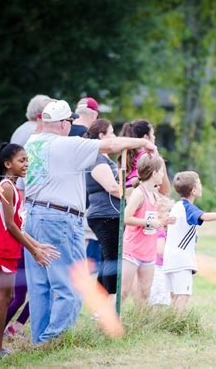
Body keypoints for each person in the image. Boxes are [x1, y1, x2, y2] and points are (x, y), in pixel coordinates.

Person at [23, 100, 156, 344]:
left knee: (40, 284)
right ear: (63, 124)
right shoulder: (66, 144)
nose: (71, 126)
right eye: (69, 122)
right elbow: (112, 144)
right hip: (59, 219)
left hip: (32, 215)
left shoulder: (33, 142)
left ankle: (39, 340)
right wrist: (144, 142)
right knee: (70, 283)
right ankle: (54, 341)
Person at [0, 143, 59, 357]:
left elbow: (18, 225)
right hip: (3, 248)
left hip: (10, 248)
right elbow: (10, 226)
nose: (26, 164)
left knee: (7, 297)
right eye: (21, 160)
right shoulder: (8, 187)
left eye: (27, 160)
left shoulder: (14, 188)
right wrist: (33, 250)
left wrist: (36, 245)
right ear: (8, 164)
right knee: (4, 297)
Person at [163, 171, 216, 313]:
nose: (201, 186)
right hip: (181, 260)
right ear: (193, 190)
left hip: (170, 258)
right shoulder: (187, 207)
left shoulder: (177, 206)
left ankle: (170, 325)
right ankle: (176, 326)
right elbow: (205, 216)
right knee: (183, 295)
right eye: (199, 183)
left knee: (176, 296)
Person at [121, 155, 174, 305]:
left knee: (145, 293)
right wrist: (149, 222)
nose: (163, 176)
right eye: (162, 172)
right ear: (154, 173)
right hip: (132, 250)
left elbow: (153, 222)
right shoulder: (139, 193)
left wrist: (164, 221)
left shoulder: (154, 195)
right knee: (123, 292)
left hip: (148, 251)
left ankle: (139, 324)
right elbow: (125, 218)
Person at [85, 119, 120, 303]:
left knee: (109, 258)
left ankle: (102, 301)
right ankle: (107, 302)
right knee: (112, 259)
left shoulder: (104, 159)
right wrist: (132, 200)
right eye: (112, 133)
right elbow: (112, 187)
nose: (114, 137)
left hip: (109, 215)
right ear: (101, 136)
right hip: (104, 216)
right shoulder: (97, 160)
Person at [119, 119, 171, 196]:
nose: (154, 137)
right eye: (153, 134)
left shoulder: (124, 158)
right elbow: (165, 191)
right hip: (145, 202)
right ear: (146, 137)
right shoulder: (153, 158)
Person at [149, 196, 175, 306]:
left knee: (164, 296)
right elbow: (161, 251)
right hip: (158, 268)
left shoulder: (165, 230)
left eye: (170, 211)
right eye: (166, 212)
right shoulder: (159, 231)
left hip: (161, 267)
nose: (169, 214)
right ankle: (156, 321)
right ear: (158, 215)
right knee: (159, 297)